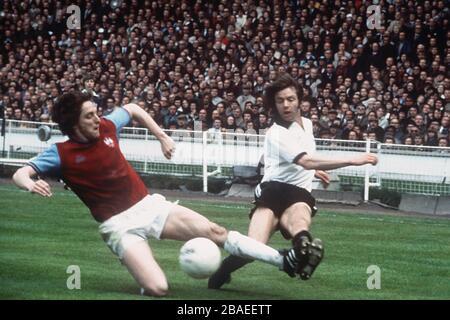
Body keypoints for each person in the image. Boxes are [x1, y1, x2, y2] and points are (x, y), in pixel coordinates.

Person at [12, 91, 301, 297]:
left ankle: (283, 260)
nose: (97, 119)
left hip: (149, 206)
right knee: (158, 289)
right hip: (118, 227)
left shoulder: (108, 126)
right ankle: (140, 272)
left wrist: (161, 135)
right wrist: (30, 183)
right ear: (74, 125)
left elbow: (134, 108)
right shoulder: (60, 154)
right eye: (89, 116)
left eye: (96, 112)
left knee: (216, 230)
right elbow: (20, 172)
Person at [208, 73, 378, 289]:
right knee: (254, 247)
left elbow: (298, 160)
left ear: (300, 100)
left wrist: (314, 172)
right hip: (272, 192)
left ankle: (304, 250)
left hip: (298, 192)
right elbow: (306, 160)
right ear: (274, 104)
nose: (286, 105)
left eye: (290, 99)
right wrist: (353, 160)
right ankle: (224, 271)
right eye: (280, 101)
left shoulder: (306, 124)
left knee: (300, 225)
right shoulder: (276, 133)